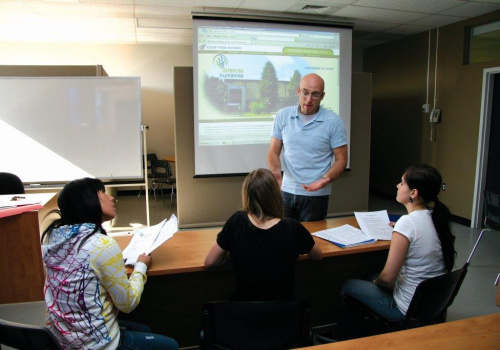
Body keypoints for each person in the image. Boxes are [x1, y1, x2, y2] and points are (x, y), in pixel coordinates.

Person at [320, 164, 456, 342]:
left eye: (402, 183)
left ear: (413, 193)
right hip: (429, 305)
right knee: (368, 277)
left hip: (403, 309)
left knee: (349, 285)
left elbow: (386, 279)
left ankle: (344, 336)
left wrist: (377, 284)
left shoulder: (407, 224)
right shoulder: (436, 218)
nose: (397, 186)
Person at [41, 178, 178, 350]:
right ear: (87, 201)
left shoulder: (53, 237)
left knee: (145, 328)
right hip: (97, 345)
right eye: (102, 193)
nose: (111, 198)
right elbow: (127, 303)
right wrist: (141, 266)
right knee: (171, 346)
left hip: (63, 340)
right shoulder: (100, 244)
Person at [204, 168, 322, 301]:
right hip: (284, 313)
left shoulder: (237, 221)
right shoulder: (293, 228)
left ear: (247, 195)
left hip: (246, 312)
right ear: (276, 195)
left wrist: (234, 253)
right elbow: (317, 255)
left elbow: (210, 262)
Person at [267, 73, 348, 222]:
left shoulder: (334, 122)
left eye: (315, 95)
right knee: (284, 238)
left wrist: (325, 179)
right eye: (305, 93)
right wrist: (276, 171)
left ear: (322, 96)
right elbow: (273, 151)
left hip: (316, 196)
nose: (309, 99)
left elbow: (341, 159)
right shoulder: (283, 116)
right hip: (286, 192)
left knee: (310, 240)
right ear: (298, 91)